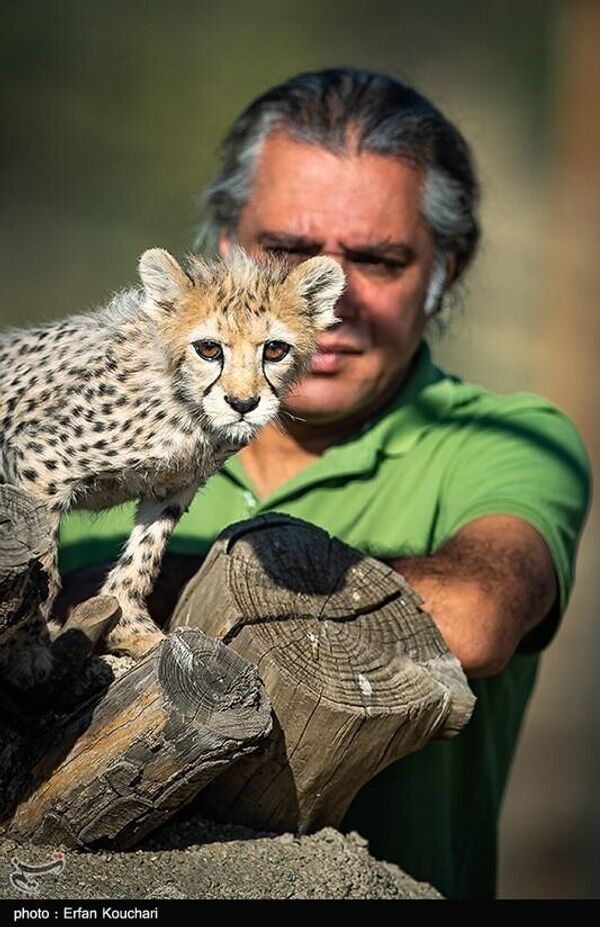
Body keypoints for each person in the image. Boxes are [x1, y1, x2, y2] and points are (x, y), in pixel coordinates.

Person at [57, 68, 591, 898]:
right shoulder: (89, 425)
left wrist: (119, 602)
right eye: (287, 252)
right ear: (225, 243)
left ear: (446, 270)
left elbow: (479, 616)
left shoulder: (512, 438)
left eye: (377, 260)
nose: (329, 304)